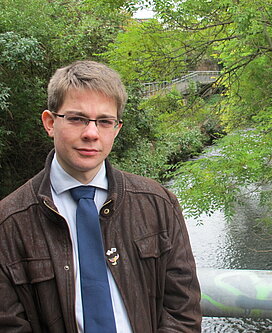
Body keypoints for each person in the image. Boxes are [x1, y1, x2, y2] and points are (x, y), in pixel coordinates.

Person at [0, 60, 202, 332]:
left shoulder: (158, 204)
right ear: (50, 122)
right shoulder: (9, 222)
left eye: (104, 121)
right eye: (76, 118)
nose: (91, 133)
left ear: (116, 129)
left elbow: (183, 311)